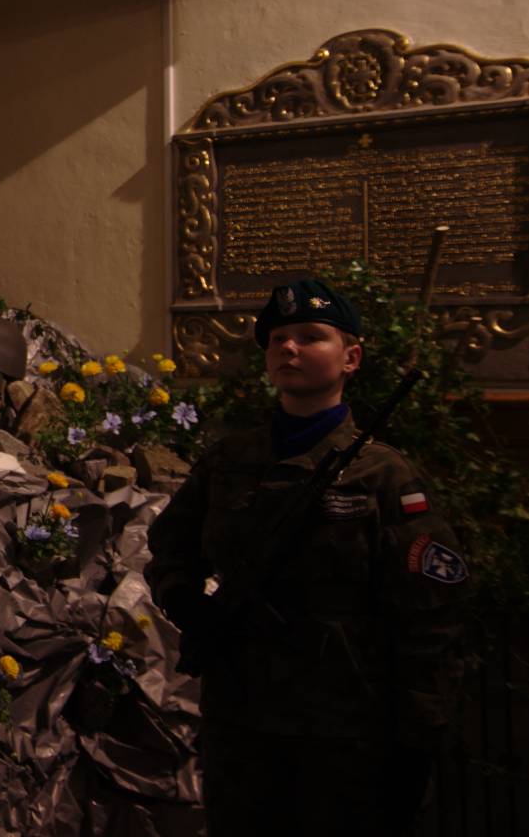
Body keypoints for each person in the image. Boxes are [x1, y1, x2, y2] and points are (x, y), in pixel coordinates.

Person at [146, 279, 469, 836]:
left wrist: (419, 737)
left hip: (347, 732)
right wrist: (184, 600)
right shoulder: (229, 459)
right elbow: (171, 545)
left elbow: (431, 618)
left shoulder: (384, 475)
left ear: (351, 358)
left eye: (310, 336)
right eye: (278, 339)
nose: (288, 348)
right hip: (243, 723)